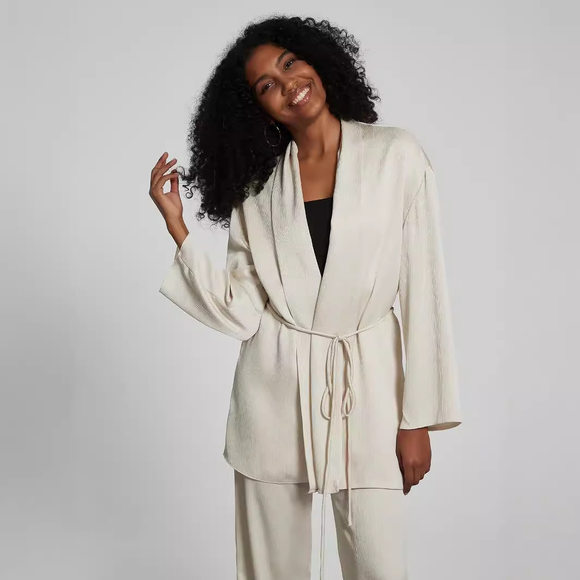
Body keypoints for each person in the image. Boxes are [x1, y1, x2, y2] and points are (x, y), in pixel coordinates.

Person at [149, 15, 462, 580]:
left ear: (317, 59)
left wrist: (418, 419)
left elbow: (425, 293)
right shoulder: (257, 190)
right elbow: (241, 310)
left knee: (379, 566)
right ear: (257, 109)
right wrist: (179, 227)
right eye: (266, 85)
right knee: (270, 570)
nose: (287, 83)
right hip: (272, 395)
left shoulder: (396, 155)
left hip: (369, 391)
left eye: (289, 62)